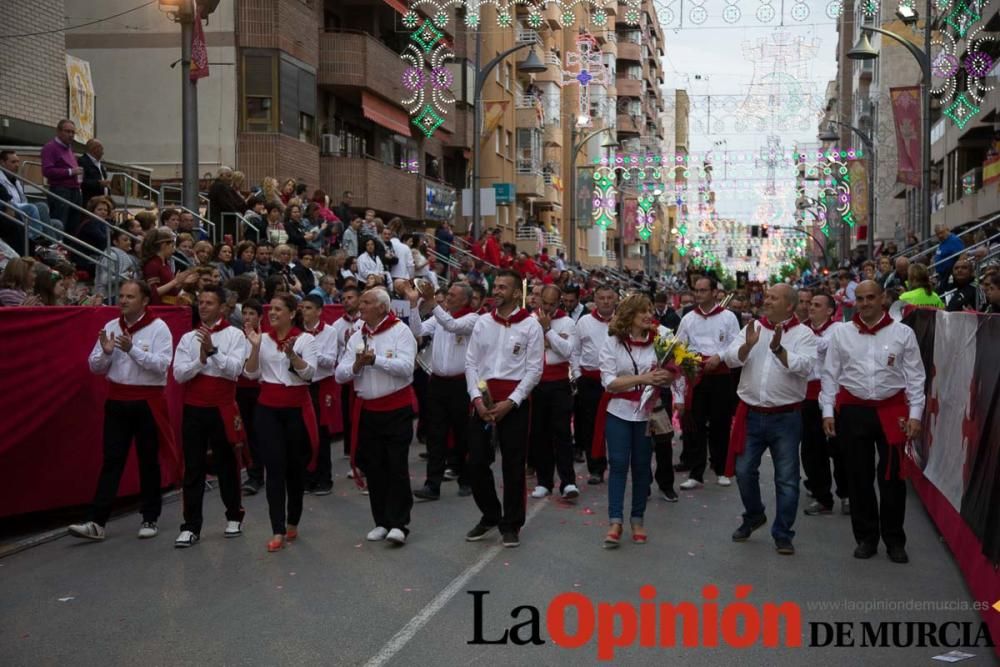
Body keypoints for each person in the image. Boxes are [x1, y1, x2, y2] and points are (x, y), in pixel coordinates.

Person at [821, 281, 926, 563]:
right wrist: (827, 412)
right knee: (858, 477)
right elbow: (830, 374)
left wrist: (915, 415)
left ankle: (894, 540)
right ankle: (866, 538)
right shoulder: (842, 334)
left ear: (883, 299)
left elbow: (916, 377)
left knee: (892, 478)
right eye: (860, 298)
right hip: (854, 411)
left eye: (871, 297)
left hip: (893, 411)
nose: (865, 303)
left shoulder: (903, 333)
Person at [69, 280, 174, 541]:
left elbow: (162, 366)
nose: (123, 301)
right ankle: (96, 521)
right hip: (117, 400)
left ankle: (150, 516)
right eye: (122, 296)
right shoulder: (111, 326)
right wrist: (105, 354)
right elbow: (95, 366)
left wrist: (133, 350)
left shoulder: (158, 328)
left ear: (145, 301)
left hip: (147, 400)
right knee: (112, 459)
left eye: (130, 296)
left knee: (148, 460)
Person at [721, 284, 817, 556]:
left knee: (786, 479)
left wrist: (779, 350)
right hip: (751, 414)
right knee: (743, 471)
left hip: (785, 418)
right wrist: (747, 347)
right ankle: (754, 514)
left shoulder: (804, 334)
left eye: (774, 298)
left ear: (789, 305)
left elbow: (806, 367)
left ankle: (783, 533)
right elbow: (730, 359)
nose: (767, 301)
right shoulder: (752, 328)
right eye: (767, 297)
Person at [464, 270, 544, 548]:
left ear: (514, 292)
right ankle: (490, 514)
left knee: (512, 464)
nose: (496, 291)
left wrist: (512, 401)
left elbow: (535, 369)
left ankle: (511, 524)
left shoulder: (531, 326)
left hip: (514, 401)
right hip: (483, 397)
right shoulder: (482, 323)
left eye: (502, 287)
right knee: (475, 461)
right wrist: (476, 398)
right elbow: (471, 363)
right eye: (494, 286)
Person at [335, 288, 417, 545]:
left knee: (397, 467)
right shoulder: (358, 334)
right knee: (375, 467)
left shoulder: (400, 331)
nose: (361, 306)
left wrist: (375, 360)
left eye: (367, 302)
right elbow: (340, 373)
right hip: (368, 411)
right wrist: (357, 365)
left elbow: (406, 368)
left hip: (396, 410)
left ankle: (399, 524)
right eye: (361, 302)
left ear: (382, 307)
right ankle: (381, 521)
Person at [596, 293, 677, 548]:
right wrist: (643, 379)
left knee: (642, 466)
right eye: (642, 311)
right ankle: (615, 521)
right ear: (630, 315)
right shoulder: (612, 342)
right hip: (618, 410)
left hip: (647, 413)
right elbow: (609, 382)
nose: (648, 315)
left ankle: (637, 518)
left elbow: (673, 371)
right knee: (618, 464)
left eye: (650, 310)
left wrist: (667, 377)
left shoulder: (662, 340)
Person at [171, 286, 250, 548]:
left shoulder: (234, 334)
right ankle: (191, 525)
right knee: (192, 466)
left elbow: (235, 370)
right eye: (200, 302)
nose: (203, 306)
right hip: (194, 406)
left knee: (227, 463)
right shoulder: (188, 337)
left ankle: (234, 515)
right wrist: (201, 360)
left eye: (209, 302)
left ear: (222, 307)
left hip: (222, 406)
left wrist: (214, 352)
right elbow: (179, 374)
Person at [243, 293, 318, 553]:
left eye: (278, 309)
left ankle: (292, 521)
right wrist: (253, 346)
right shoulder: (262, 339)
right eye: (270, 309)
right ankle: (277, 529)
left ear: (291, 313)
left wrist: (292, 356)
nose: (272, 313)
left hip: (296, 410)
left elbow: (309, 373)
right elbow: (250, 373)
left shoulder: (305, 339)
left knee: (294, 472)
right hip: (268, 410)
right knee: (273, 469)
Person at [407, 281, 479, 500]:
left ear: (465, 300)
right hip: (437, 383)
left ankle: (467, 479)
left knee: (463, 434)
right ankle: (432, 484)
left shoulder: (472, 319)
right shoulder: (440, 317)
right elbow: (417, 330)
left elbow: (453, 326)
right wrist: (413, 305)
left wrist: (431, 302)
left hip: (461, 385)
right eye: (448, 293)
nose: (448, 297)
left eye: (453, 295)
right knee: (435, 435)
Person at [674, 276, 740, 488]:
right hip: (696, 375)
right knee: (695, 425)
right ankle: (696, 472)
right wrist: (690, 361)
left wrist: (719, 357)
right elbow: (678, 347)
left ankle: (721, 468)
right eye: (697, 290)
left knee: (720, 423)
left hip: (720, 374)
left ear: (714, 292)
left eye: (703, 290)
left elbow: (735, 344)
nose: (699, 294)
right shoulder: (688, 319)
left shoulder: (729, 317)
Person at [527, 285, 579, 500]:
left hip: (559, 383)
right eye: (544, 303)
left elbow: (567, 350)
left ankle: (568, 481)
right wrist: (551, 341)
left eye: (551, 304)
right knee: (540, 433)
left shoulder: (568, 322)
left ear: (559, 303)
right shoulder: (529, 320)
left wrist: (548, 332)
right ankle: (544, 481)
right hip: (537, 382)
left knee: (562, 434)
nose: (547, 307)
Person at [800, 293, 849, 516]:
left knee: (840, 449)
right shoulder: (802, 329)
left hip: (833, 393)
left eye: (817, 305)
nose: (811, 308)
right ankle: (822, 496)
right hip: (808, 394)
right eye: (810, 304)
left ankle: (846, 494)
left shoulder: (839, 329)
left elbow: (825, 347)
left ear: (830, 310)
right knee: (812, 448)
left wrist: (801, 334)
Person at [573, 285, 617, 485]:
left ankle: (618, 465)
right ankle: (596, 468)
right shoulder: (584, 322)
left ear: (615, 299)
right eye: (602, 298)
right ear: (595, 299)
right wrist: (576, 375)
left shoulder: (622, 321)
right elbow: (575, 351)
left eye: (609, 297)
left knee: (616, 425)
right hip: (590, 380)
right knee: (591, 426)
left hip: (617, 382)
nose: (606, 301)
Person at [300, 294, 338, 496]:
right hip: (303, 385)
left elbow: (330, 361)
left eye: (308, 308)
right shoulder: (298, 331)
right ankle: (307, 477)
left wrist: (311, 351)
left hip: (322, 384)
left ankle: (325, 478)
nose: (304, 311)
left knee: (322, 432)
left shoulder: (329, 332)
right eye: (302, 307)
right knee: (304, 432)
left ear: (319, 311)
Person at [0, 149, 63, 245]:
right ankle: (47, 244)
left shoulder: (15, 179)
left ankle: (51, 247)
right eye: (13, 162)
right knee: (40, 206)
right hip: (11, 212)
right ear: (2, 163)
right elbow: (9, 203)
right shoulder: (1, 179)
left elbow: (24, 200)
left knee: (57, 224)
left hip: (23, 211)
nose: (17, 165)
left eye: (18, 162)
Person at [237, 300, 265, 495]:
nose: (247, 317)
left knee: (257, 432)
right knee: (244, 432)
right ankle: (251, 472)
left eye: (251, 314)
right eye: (245, 313)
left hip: (258, 389)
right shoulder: (236, 336)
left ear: (259, 317)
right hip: (239, 389)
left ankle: (257, 476)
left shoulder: (265, 337)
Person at [331, 286, 362, 457]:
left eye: (350, 297)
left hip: (362, 373)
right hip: (347, 373)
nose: (346, 301)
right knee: (347, 413)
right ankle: (350, 448)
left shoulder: (365, 321)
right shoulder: (337, 325)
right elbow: (335, 350)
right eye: (343, 298)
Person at [41, 120, 83, 238]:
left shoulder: (69, 148)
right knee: (61, 223)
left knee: (73, 225)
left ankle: (70, 252)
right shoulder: (50, 147)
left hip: (74, 190)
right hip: (61, 190)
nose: (71, 135)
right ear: (59, 131)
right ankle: (59, 249)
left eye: (73, 132)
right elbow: (47, 171)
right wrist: (70, 172)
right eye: (67, 131)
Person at [141, 228, 191, 305]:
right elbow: (153, 292)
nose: (173, 250)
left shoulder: (165, 264)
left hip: (169, 306)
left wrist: (182, 282)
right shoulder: (153, 264)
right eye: (172, 246)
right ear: (164, 245)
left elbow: (171, 291)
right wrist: (175, 281)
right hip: (158, 309)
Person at [932, 224, 964, 291]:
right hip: (941, 275)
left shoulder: (954, 240)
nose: (940, 235)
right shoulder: (942, 242)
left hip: (950, 275)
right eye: (938, 234)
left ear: (947, 230)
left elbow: (962, 256)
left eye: (942, 232)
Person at [79, 139, 110, 205]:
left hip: (103, 200)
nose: (103, 152)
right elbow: (82, 182)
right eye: (101, 149)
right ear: (94, 149)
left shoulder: (100, 164)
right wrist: (98, 183)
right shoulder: (83, 162)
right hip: (91, 201)